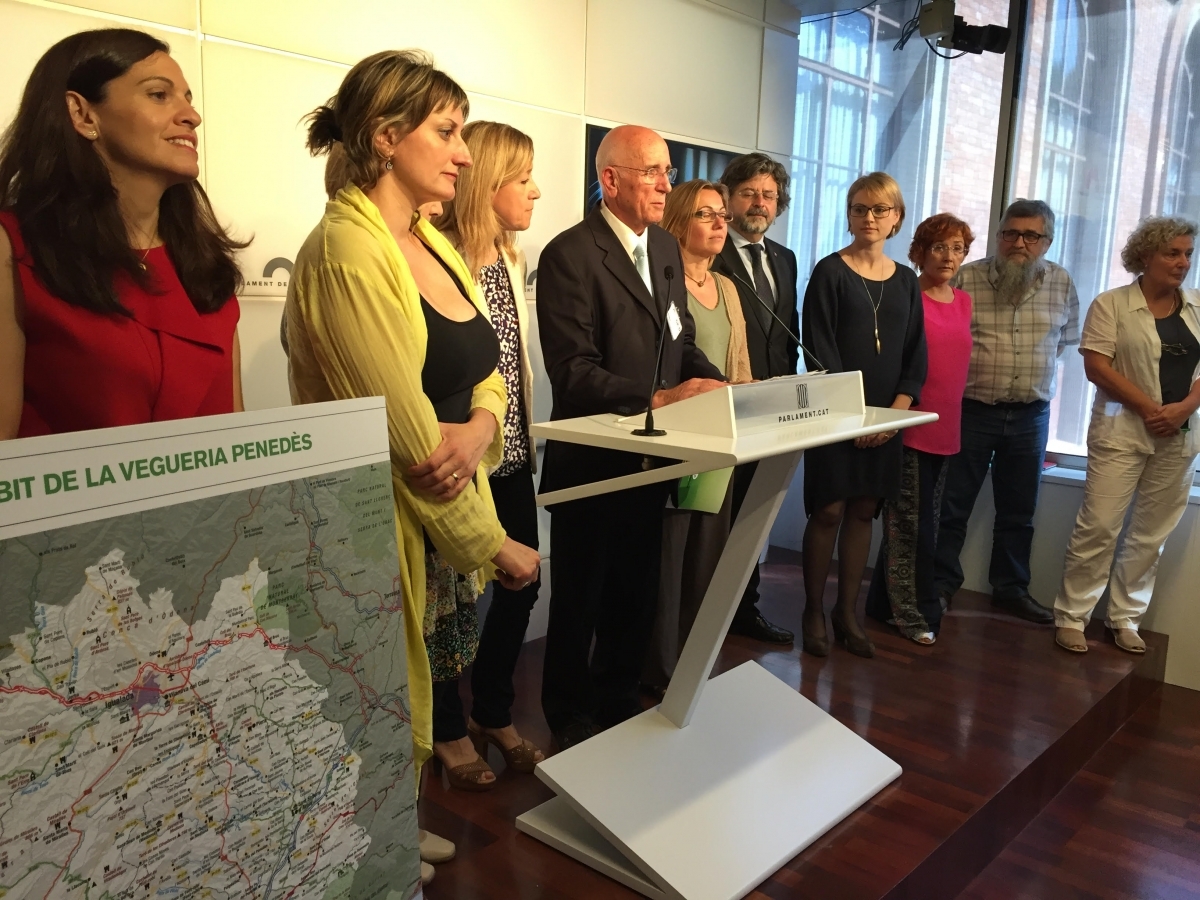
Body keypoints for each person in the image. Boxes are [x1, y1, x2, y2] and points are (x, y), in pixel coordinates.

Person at [284, 50, 540, 882]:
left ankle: (394, 823)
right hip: (382, 520)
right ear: (387, 136)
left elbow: (493, 371)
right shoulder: (346, 250)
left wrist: (478, 427)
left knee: (411, 688)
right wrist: (494, 543)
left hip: (432, 519)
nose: (464, 155)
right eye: (448, 131)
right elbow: (405, 437)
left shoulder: (430, 237)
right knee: (377, 694)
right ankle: (370, 849)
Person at [537, 124, 725, 750]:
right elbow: (573, 372)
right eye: (652, 172)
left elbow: (681, 341)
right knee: (581, 600)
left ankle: (618, 701)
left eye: (668, 171)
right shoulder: (569, 254)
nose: (665, 183)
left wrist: (715, 385)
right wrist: (656, 398)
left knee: (634, 595)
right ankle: (567, 717)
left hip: (655, 458)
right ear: (610, 179)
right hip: (592, 463)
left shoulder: (667, 250)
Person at [1, 29, 245, 440]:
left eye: (188, 98)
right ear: (82, 114)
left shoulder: (206, 266)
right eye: (158, 95)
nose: (191, 116)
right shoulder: (15, 250)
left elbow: (237, 439)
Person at [435, 120, 546, 772]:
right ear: (488, 182)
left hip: (510, 452)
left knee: (522, 579)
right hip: (459, 457)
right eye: (523, 178)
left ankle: (493, 712)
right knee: (451, 600)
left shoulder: (511, 257)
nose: (535, 192)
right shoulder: (434, 255)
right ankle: (450, 730)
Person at [1052, 217, 1200, 654]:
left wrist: (1185, 408)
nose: (1182, 262)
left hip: (1179, 436)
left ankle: (1125, 617)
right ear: (1146, 256)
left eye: (1188, 253)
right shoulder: (1112, 304)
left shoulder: (1197, 307)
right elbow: (1097, 367)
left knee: (1150, 535)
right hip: (1121, 432)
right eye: (1173, 252)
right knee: (1098, 527)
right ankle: (1073, 616)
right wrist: (1152, 410)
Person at [801, 172, 927, 659]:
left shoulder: (907, 282)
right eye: (859, 208)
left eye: (880, 209)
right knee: (829, 508)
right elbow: (818, 349)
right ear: (849, 214)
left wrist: (891, 418)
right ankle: (814, 609)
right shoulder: (829, 271)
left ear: (896, 217)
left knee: (863, 511)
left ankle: (845, 613)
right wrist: (854, 418)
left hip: (886, 418)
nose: (869, 218)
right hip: (836, 415)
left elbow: (915, 356)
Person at [934, 199, 1080, 623]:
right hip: (972, 411)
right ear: (999, 236)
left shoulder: (1062, 283)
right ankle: (941, 585)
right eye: (1010, 233)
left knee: (1019, 513)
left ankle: (1010, 590)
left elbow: (1062, 345)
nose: (1019, 243)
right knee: (952, 508)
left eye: (1031, 235)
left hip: (1031, 417)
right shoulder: (967, 277)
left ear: (1047, 242)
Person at [641, 179, 753, 695]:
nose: (719, 223)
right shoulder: (664, 283)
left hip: (722, 440)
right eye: (706, 213)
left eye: (723, 215)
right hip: (679, 440)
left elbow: (738, 365)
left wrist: (744, 402)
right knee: (668, 558)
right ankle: (662, 668)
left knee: (708, 556)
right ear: (679, 220)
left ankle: (695, 660)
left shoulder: (728, 287)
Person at [866, 213, 974, 644]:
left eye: (958, 248)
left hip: (947, 429)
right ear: (921, 252)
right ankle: (911, 615)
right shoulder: (909, 293)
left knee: (923, 523)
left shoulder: (964, 302)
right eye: (939, 247)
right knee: (910, 526)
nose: (949, 256)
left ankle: (881, 605)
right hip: (910, 425)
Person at [711, 152, 799, 646]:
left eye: (768, 195)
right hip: (724, 406)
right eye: (749, 193)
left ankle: (745, 608)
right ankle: (703, 614)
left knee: (753, 516)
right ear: (728, 198)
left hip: (772, 410)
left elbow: (786, 339)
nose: (759, 203)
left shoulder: (783, 259)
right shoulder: (709, 252)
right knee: (716, 518)